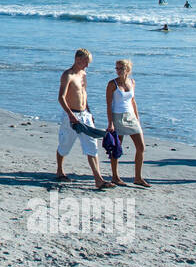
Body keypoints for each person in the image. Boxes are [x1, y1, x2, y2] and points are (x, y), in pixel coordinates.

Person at [56, 49, 108, 188]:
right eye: (85, 62)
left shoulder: (83, 74)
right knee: (64, 145)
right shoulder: (68, 75)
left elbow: (84, 94)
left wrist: (89, 113)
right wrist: (71, 115)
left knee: (92, 145)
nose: (87, 65)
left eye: (88, 62)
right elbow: (61, 98)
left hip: (84, 115)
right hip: (71, 115)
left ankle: (98, 179)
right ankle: (60, 171)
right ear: (77, 59)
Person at [105, 59, 149, 187]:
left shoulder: (132, 82)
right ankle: (115, 176)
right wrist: (110, 123)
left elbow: (133, 101)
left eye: (121, 69)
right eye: (117, 68)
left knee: (141, 147)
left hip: (130, 117)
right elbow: (108, 104)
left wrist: (137, 118)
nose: (118, 71)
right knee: (116, 148)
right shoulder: (112, 84)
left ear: (127, 70)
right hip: (117, 116)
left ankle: (138, 177)